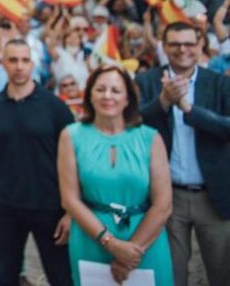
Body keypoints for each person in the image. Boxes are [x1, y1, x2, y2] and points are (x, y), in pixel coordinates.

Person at [135, 21, 230, 286]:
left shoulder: (219, 84)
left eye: (189, 43)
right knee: (170, 275)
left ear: (201, 46)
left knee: (222, 273)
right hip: (166, 197)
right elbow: (133, 126)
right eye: (175, 44)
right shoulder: (146, 81)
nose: (182, 50)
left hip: (213, 195)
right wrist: (163, 102)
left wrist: (189, 110)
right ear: (164, 47)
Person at [0, 38, 74, 286]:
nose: (19, 66)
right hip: (5, 205)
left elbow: (73, 160)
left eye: (25, 60)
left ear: (33, 64)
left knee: (60, 276)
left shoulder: (55, 107)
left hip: (50, 206)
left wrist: (72, 211)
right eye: (13, 60)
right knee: (5, 277)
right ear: (3, 64)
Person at [59, 66, 173, 285]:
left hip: (145, 241)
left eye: (115, 90)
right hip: (92, 237)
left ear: (128, 98)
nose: (107, 96)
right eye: (100, 89)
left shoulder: (150, 138)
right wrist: (110, 243)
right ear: (90, 94)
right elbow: (70, 200)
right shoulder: (71, 136)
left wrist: (129, 254)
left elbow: (163, 205)